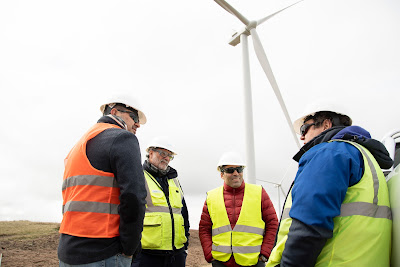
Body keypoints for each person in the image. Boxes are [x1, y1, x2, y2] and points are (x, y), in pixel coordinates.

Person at [266, 103, 393, 267]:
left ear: (326, 124)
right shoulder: (364, 156)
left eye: (304, 129)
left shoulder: (331, 152)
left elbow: (309, 225)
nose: (301, 137)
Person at [58, 94, 148, 266]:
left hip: (68, 250)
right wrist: (130, 247)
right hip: (104, 252)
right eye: (134, 117)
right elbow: (134, 196)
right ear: (114, 112)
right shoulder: (123, 138)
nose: (137, 124)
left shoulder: (79, 145)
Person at [199, 151, 279, 267]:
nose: (236, 173)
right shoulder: (211, 197)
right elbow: (204, 228)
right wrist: (209, 254)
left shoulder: (259, 192)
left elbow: (272, 223)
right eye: (230, 170)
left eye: (239, 169)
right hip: (221, 262)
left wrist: (265, 252)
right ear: (222, 174)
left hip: (253, 261)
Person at [131, 136, 190, 267]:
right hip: (147, 255)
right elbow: (129, 213)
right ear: (150, 153)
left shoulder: (174, 180)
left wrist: (185, 245)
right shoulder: (139, 177)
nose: (167, 158)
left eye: (170, 155)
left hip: (176, 254)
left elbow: (183, 213)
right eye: (163, 153)